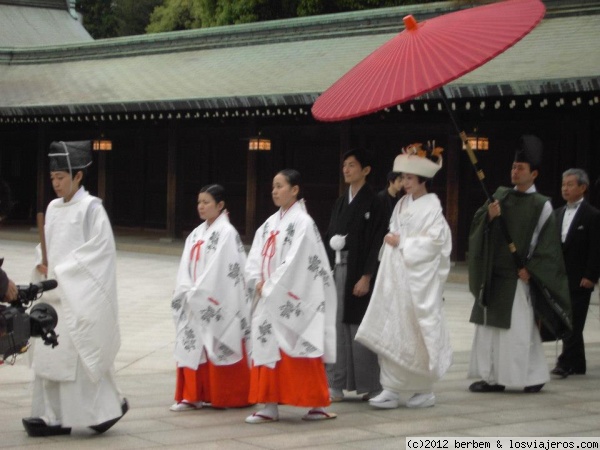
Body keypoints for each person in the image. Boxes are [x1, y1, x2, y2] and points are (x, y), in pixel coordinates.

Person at [23, 141, 127, 437]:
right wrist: (42, 264)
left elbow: (101, 252)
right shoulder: (53, 208)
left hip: (78, 294)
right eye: (52, 178)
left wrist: (64, 272)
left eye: (61, 178)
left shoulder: (92, 208)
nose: (55, 184)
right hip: (54, 294)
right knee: (49, 354)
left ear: (78, 176)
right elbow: (48, 248)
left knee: (79, 352)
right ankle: (52, 415)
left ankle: (102, 412)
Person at [467, 135, 571, 394]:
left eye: (520, 168)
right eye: (513, 167)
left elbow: (547, 246)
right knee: (489, 329)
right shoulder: (500, 195)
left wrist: (531, 269)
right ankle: (492, 378)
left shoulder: (541, 205)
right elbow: (477, 224)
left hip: (517, 276)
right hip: (494, 274)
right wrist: (489, 218)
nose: (514, 171)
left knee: (518, 330)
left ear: (533, 173)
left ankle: (533, 376)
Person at [356, 143, 453, 409]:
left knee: (415, 330)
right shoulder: (401, 204)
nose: (405, 182)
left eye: (410, 178)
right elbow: (395, 231)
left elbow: (437, 243)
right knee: (392, 327)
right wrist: (392, 239)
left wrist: (404, 242)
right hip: (396, 277)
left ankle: (423, 389)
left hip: (417, 280)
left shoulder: (433, 209)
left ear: (423, 179)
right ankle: (390, 387)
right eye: (404, 177)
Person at [244, 169, 337, 423]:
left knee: (301, 347)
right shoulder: (269, 224)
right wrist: (257, 281)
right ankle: (269, 405)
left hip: (293, 296)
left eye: (280, 186)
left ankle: (316, 404)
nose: (274, 191)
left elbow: (298, 261)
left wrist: (271, 286)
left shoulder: (304, 223)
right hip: (268, 295)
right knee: (267, 347)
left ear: (295, 190)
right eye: (273, 186)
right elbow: (254, 256)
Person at [171, 184, 251, 410]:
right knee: (192, 342)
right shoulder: (196, 233)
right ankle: (192, 395)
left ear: (220, 205)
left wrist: (200, 291)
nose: (201, 206)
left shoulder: (227, 233)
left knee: (217, 339)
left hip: (214, 297)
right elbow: (185, 264)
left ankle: (224, 395)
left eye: (206, 202)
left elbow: (223, 268)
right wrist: (185, 288)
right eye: (199, 202)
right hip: (193, 295)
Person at [325, 149, 387, 402]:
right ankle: (336, 383)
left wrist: (367, 276)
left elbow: (376, 241)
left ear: (366, 170)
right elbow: (330, 231)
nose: (347, 170)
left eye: (352, 165)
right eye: (345, 165)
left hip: (359, 270)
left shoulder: (376, 201)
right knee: (337, 324)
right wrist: (333, 244)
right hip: (340, 267)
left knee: (358, 326)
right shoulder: (341, 201)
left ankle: (370, 385)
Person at [551, 169, 600, 378]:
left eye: (570, 184)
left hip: (581, 277)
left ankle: (565, 361)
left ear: (583, 187)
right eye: (563, 184)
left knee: (574, 320)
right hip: (562, 277)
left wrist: (591, 275)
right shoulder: (558, 213)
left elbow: (596, 248)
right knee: (566, 318)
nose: (565, 188)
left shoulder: (592, 215)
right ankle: (578, 362)